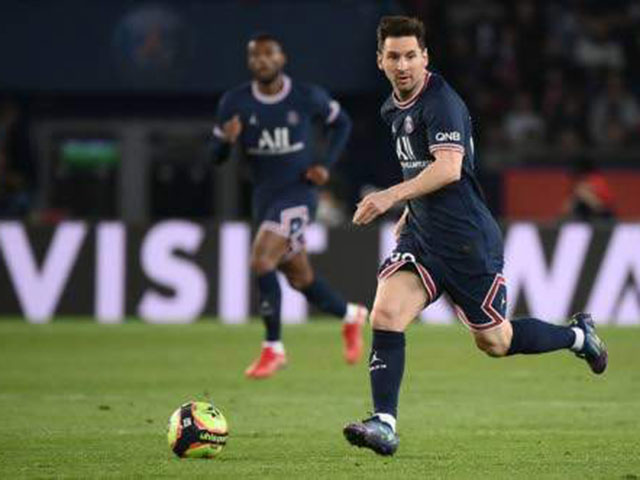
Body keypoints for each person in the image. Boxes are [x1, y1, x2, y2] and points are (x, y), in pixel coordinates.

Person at [342, 16, 608, 456]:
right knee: (386, 315)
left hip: (467, 243)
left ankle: (578, 336)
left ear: (425, 57)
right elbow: (419, 167)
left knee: (495, 342)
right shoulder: (392, 108)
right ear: (380, 61)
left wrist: (390, 196)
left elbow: (447, 168)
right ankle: (384, 423)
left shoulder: (441, 102)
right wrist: (411, 208)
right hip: (424, 239)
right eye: (394, 57)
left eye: (411, 55)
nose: (403, 64)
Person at [210, 34, 367, 379]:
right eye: (255, 56)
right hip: (265, 198)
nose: (262, 61)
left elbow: (342, 123)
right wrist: (226, 141)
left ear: (282, 59)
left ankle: (273, 349)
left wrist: (325, 164)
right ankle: (350, 315)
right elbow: (216, 157)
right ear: (250, 62)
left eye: (269, 55)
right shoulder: (234, 103)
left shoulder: (306, 96)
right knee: (299, 277)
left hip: (299, 194)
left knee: (261, 259)